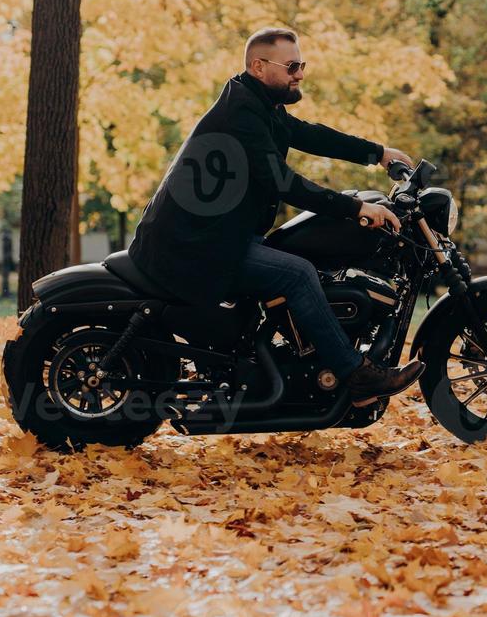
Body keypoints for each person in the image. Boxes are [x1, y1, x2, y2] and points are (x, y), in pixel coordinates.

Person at [126, 26, 424, 404]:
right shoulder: (241, 115)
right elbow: (284, 183)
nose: (300, 74)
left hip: (216, 238)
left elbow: (311, 135)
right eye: (292, 66)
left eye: (303, 65)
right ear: (258, 66)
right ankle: (354, 376)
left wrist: (378, 152)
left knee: (301, 259)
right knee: (298, 274)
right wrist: (356, 208)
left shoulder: (257, 104)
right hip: (195, 247)